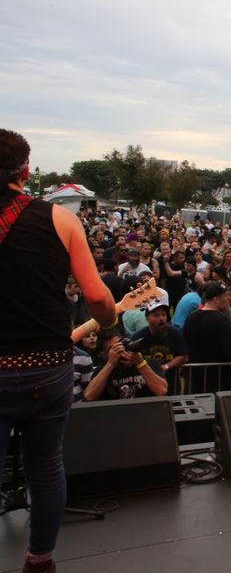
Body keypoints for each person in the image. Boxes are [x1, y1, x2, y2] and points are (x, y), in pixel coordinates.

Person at [0, 129, 117, 573]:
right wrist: (109, 323)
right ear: (26, 171)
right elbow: (96, 295)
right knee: (46, 466)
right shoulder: (60, 219)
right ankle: (40, 560)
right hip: (47, 364)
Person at [182, 283, 231, 393]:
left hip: (195, 378)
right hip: (219, 381)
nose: (227, 300)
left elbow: (185, 345)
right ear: (216, 299)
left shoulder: (191, 317)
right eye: (225, 296)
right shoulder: (222, 321)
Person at [83, 331, 169, 400]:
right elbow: (89, 396)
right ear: (104, 354)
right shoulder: (101, 371)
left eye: (120, 345)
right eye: (114, 349)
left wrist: (141, 364)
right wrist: (110, 364)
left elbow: (162, 391)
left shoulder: (149, 363)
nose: (120, 350)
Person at [130, 296, 188, 393]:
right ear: (147, 318)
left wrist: (166, 366)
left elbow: (183, 356)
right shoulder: (138, 337)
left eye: (163, 315)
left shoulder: (176, 333)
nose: (161, 318)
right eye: (156, 315)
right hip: (147, 385)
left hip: (171, 384)